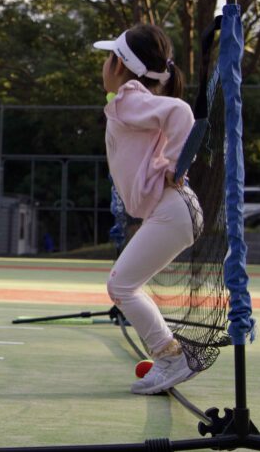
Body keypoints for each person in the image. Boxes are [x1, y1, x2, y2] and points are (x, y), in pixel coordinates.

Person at [95, 24, 201, 395]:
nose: (103, 66)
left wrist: (175, 165)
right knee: (126, 284)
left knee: (120, 285)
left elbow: (182, 113)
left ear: (120, 65)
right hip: (170, 212)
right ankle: (168, 357)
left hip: (172, 212)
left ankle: (172, 358)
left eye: (108, 58)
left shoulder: (128, 97)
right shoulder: (131, 100)